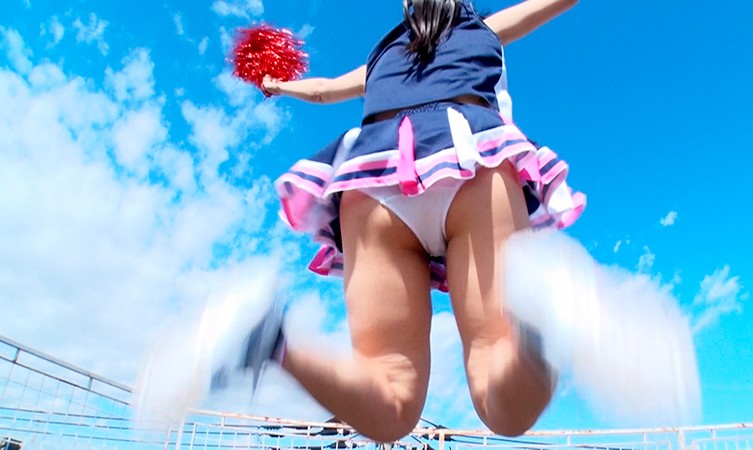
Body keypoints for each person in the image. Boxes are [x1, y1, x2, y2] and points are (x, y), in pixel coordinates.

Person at [237, 0, 583, 442]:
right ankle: (536, 332)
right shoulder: (485, 29)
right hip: (469, 160)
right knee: (500, 380)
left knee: (391, 399)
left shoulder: (379, 59)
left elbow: (322, 91)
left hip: (372, 178)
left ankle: (270, 343)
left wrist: (277, 85)